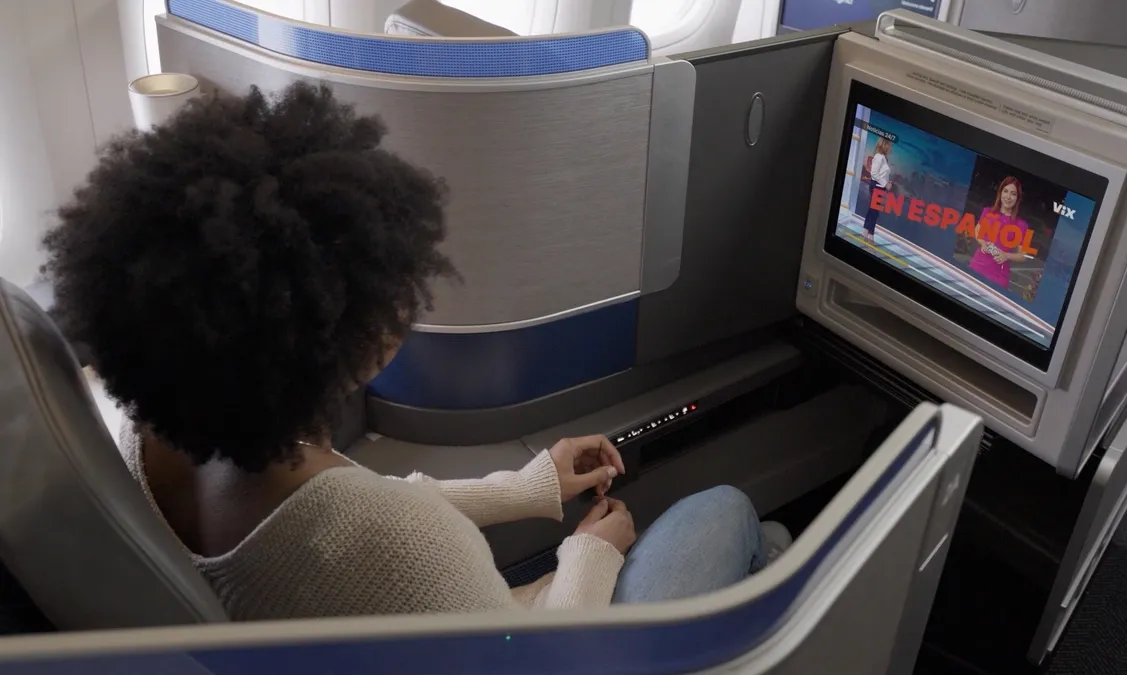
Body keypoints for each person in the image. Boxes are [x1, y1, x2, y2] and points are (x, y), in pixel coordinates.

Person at [41, 81, 792, 621]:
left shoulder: (152, 433)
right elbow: (538, 657)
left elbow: (357, 516)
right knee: (735, 519)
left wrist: (526, 487)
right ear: (354, 338)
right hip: (547, 646)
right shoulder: (400, 545)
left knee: (764, 542)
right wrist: (589, 554)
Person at [969, 176, 1029, 290]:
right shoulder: (987, 212)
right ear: (1000, 193)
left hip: (999, 277)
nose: (1008, 197)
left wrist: (1007, 255)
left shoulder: (1022, 225)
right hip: (977, 266)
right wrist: (983, 243)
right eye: (1005, 191)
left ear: (1017, 198)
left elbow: (1023, 256)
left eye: (1013, 193)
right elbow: (977, 231)